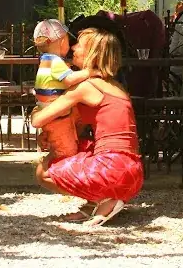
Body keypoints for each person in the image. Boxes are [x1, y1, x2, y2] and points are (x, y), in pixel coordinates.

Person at [31, 27, 144, 227]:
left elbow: (38, 121)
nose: (73, 47)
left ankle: (105, 198)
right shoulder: (116, 87)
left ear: (92, 54)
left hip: (111, 169)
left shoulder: (86, 87)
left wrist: (37, 113)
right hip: (132, 171)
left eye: (79, 45)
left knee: (44, 171)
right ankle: (100, 201)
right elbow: (81, 125)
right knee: (78, 146)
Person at [33, 19, 96, 162]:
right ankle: (58, 175)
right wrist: (90, 72)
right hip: (57, 116)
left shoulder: (45, 60)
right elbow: (69, 79)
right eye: (68, 40)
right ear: (62, 41)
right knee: (66, 152)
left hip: (51, 114)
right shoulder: (54, 61)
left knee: (63, 146)